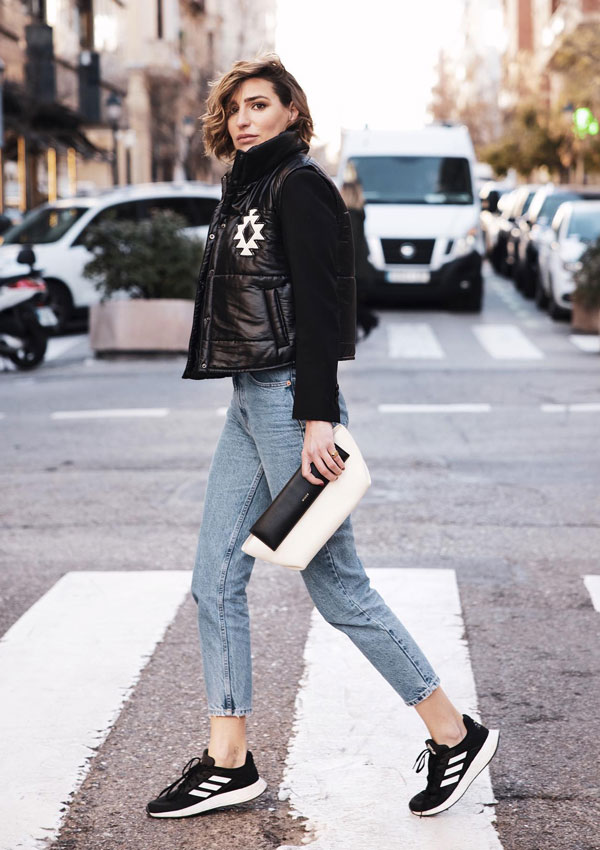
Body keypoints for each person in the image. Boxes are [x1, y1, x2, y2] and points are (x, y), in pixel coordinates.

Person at [146, 53, 499, 821]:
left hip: (287, 403)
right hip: (251, 399)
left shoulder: (301, 185)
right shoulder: (247, 184)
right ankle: (229, 760)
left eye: (261, 105)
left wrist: (317, 419)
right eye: (236, 106)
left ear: (292, 115)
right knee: (214, 577)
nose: (244, 118)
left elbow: (324, 306)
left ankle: (452, 733)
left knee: (335, 581)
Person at [339, 179, 381, 341]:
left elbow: (351, 246)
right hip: (362, 267)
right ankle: (360, 327)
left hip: (354, 268)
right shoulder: (359, 213)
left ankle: (364, 325)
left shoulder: (349, 217)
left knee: (349, 304)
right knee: (352, 304)